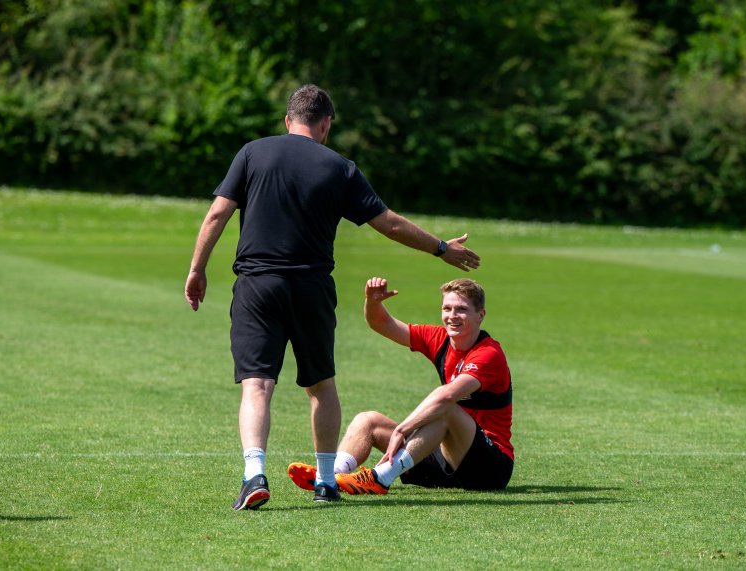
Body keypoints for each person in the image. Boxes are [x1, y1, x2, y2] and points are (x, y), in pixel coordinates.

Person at [184, 84, 480, 510]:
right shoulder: (340, 167)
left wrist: (197, 269)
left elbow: (217, 212)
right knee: (321, 386)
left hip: (257, 284)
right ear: (325, 125)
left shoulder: (252, 153)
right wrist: (440, 248)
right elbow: (389, 223)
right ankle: (326, 479)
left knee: (258, 384)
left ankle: (254, 475)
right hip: (312, 288)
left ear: (288, 121)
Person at [287, 276, 513, 497]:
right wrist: (373, 302)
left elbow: (447, 396)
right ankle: (329, 478)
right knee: (368, 421)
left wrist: (402, 430)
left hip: (489, 468)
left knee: (447, 409)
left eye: (461, 309)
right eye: (447, 308)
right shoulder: (439, 339)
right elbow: (382, 323)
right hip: (445, 460)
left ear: (480, 315)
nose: (452, 316)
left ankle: (379, 478)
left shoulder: (489, 354)